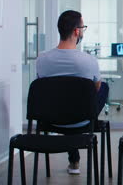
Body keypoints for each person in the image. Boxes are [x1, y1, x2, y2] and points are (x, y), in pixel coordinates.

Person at [36, 10, 107, 175]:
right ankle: (83, 135)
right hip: (82, 120)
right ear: (77, 31)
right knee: (102, 88)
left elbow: (41, 90)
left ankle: (74, 159)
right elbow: (95, 90)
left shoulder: (42, 60)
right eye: (83, 27)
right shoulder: (89, 61)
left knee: (65, 99)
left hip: (51, 120)